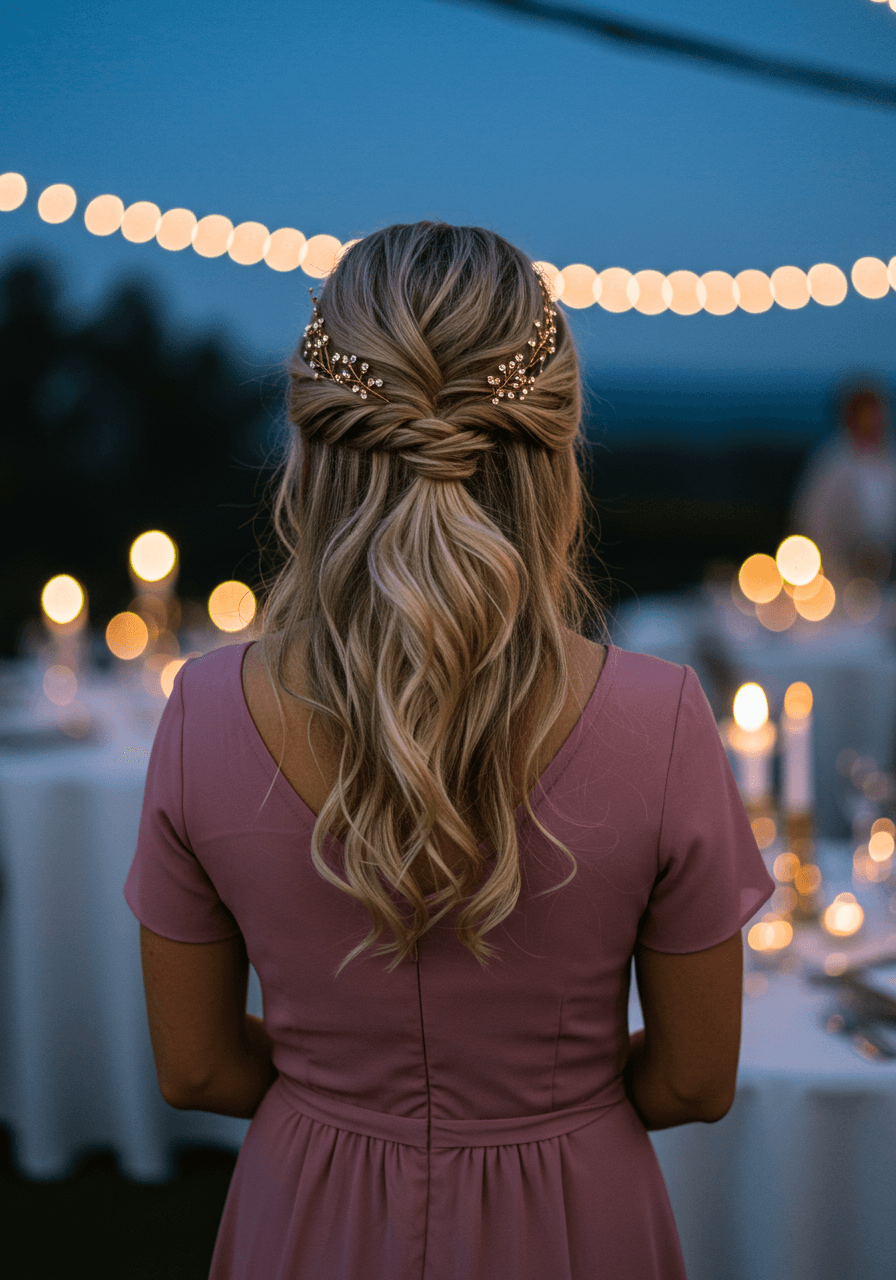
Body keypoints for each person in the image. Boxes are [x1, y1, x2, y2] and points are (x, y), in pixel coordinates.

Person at [124, 222, 774, 1280]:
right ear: (555, 447)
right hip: (575, 1214)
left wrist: (345, 1093)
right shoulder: (661, 718)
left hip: (308, 1210)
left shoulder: (201, 708)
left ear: (314, 446)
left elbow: (194, 1066)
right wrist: (545, 1099)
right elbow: (695, 1080)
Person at [791, 383, 896, 588]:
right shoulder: (831, 463)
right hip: (841, 575)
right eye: (868, 414)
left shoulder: (890, 460)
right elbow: (812, 519)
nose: (875, 421)